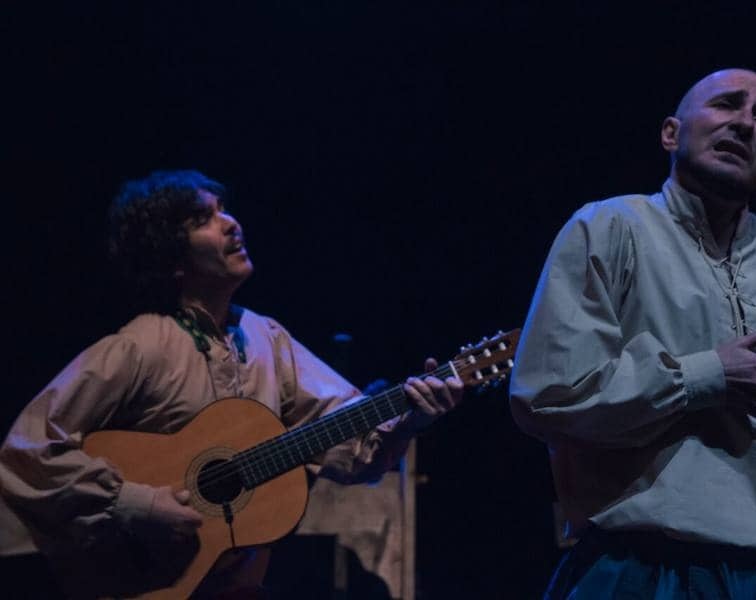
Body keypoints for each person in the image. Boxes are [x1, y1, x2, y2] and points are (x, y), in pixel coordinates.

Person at [509, 69, 756, 598]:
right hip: (646, 567)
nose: (744, 123)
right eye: (727, 105)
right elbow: (548, 397)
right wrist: (707, 375)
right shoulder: (609, 228)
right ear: (671, 133)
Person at [0, 170, 463, 598]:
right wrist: (134, 502)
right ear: (171, 257)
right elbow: (27, 451)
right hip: (146, 582)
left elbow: (349, 438)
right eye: (204, 218)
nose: (231, 223)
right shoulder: (140, 345)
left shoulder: (267, 338)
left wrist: (407, 420)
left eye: (224, 208)